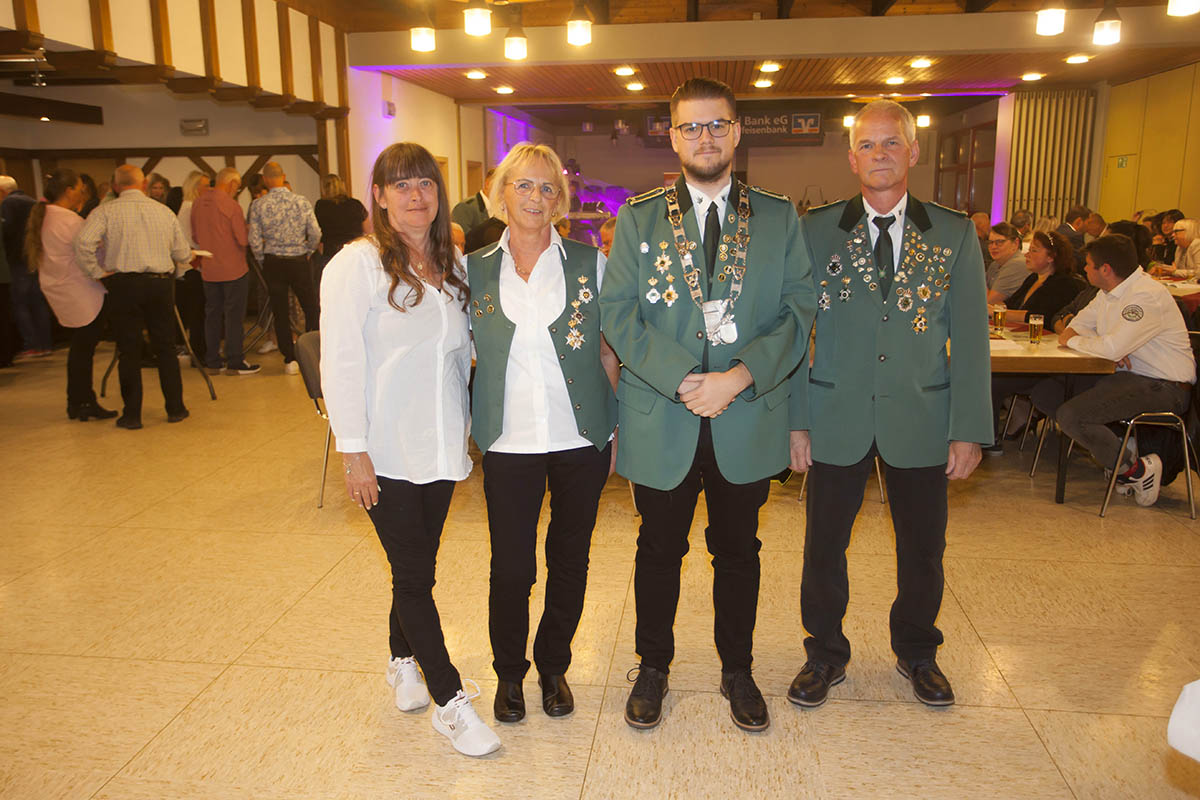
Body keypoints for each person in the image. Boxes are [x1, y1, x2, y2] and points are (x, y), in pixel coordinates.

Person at [600, 77, 814, 732]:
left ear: (737, 130)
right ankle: (654, 665)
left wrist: (738, 377)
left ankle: (738, 668)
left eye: (716, 124)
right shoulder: (639, 217)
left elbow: (799, 310)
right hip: (664, 415)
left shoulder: (778, 217)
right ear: (672, 135)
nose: (705, 137)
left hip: (745, 415)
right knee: (658, 548)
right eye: (691, 127)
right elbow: (617, 313)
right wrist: (690, 378)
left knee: (738, 551)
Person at [788, 99, 991, 710]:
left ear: (913, 151)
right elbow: (796, 333)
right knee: (824, 545)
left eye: (891, 143)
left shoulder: (953, 233)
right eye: (868, 145)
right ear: (851, 157)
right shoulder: (816, 229)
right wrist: (797, 421)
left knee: (923, 547)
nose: (880, 155)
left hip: (921, 417)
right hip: (834, 415)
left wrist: (969, 429)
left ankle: (918, 651)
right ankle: (823, 654)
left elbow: (973, 340)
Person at [321, 142, 499, 758]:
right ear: (378, 195)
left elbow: (464, 354)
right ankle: (450, 702)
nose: (416, 195)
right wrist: (353, 450)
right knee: (417, 576)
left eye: (425, 183)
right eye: (401, 186)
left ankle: (401, 659)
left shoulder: (454, 263)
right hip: (386, 447)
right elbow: (339, 361)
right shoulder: (356, 265)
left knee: (414, 565)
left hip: (443, 441)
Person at [468, 143, 619, 725]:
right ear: (501, 193)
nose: (534, 197)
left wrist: (609, 429)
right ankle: (509, 674)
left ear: (560, 199)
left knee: (570, 559)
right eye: (522, 185)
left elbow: (607, 349)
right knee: (511, 565)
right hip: (508, 442)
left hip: (579, 438)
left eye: (546, 187)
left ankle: (553, 665)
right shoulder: (473, 268)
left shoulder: (589, 262)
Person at [1031, 234, 1195, 506]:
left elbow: (1105, 347)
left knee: (1072, 415)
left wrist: (1092, 344)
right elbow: (1077, 327)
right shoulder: (1106, 293)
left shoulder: (1145, 296)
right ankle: (1120, 447)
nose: (1084, 269)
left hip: (1164, 385)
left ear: (1105, 269)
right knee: (1046, 392)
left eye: (1089, 265)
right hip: (1125, 378)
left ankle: (1137, 470)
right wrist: (1099, 345)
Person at [75, 164, 192, 429]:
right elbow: (182, 252)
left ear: (116, 186)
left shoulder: (105, 211)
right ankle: (175, 408)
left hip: (124, 284)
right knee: (165, 347)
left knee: (129, 350)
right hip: (161, 284)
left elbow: (83, 242)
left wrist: (96, 271)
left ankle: (132, 415)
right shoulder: (163, 212)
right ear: (143, 185)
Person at [23, 168, 116, 420]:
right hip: (80, 290)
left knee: (80, 349)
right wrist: (105, 270)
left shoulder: (45, 216)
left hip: (60, 287)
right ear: (69, 191)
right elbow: (91, 252)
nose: (82, 193)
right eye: (79, 188)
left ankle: (78, 400)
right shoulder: (69, 220)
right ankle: (83, 401)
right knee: (83, 350)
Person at [247, 161, 321, 374]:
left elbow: (254, 239)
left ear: (266, 180)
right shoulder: (300, 201)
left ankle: (290, 359)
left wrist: (262, 259)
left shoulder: (259, 205)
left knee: (280, 311)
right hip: (298, 259)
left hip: (273, 262)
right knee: (310, 307)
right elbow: (316, 232)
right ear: (283, 176)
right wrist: (307, 251)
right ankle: (312, 351)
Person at [192, 167, 259, 375]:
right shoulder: (231, 205)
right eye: (237, 187)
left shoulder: (198, 203)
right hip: (233, 269)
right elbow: (242, 239)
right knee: (233, 316)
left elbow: (195, 235)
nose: (236, 191)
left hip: (209, 269)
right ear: (231, 184)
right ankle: (235, 360)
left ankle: (212, 361)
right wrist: (248, 230)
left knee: (212, 314)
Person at [1, 175, 53, 358]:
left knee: (20, 304)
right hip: (34, 258)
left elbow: (5, 232)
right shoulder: (31, 202)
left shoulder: (8, 204)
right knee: (38, 302)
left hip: (17, 260)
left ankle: (31, 344)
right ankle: (45, 344)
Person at [1004, 230, 1084, 322]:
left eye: (1034, 251)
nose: (1026, 255)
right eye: (1028, 250)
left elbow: (1040, 316)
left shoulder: (1063, 284)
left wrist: (997, 312)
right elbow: (1009, 304)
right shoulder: (1033, 277)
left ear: (1051, 257)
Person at [175, 171, 211, 365]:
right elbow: (190, 241)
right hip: (192, 267)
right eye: (206, 186)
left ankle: (199, 350)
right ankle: (200, 353)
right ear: (197, 188)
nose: (208, 189)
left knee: (197, 312)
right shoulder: (190, 208)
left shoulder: (186, 207)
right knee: (198, 313)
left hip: (189, 266)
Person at [313, 173, 369, 285]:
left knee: (333, 285)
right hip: (354, 250)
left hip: (331, 251)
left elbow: (316, 230)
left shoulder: (321, 205)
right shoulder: (355, 204)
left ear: (324, 188)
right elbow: (368, 228)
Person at [985, 222, 1028, 304]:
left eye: (1000, 242)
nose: (993, 246)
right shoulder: (995, 265)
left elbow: (988, 301)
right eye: (990, 242)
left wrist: (978, 274)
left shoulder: (1017, 264)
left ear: (1015, 243)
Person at [451, 168, 494, 235]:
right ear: (487, 184)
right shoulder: (465, 208)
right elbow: (462, 240)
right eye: (500, 185)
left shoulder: (501, 208)